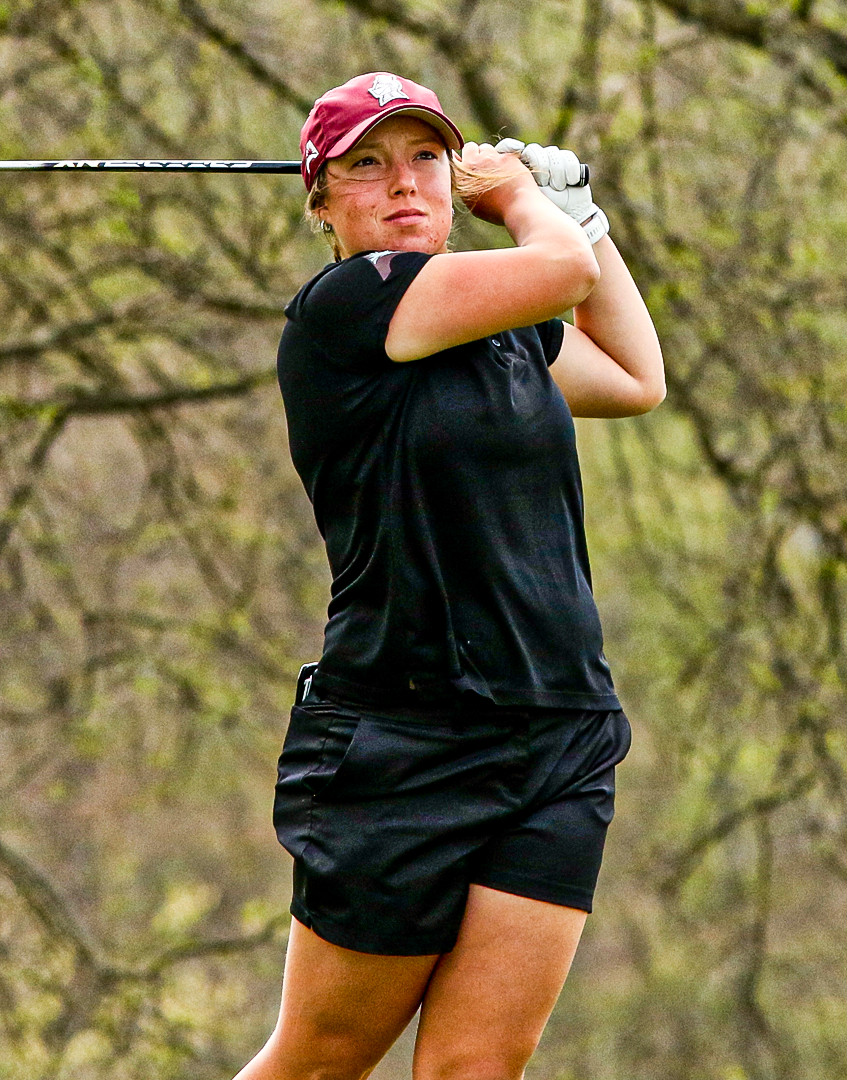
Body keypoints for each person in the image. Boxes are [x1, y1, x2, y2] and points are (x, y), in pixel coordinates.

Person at [245, 72, 665, 1080]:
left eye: (426, 158)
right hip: (402, 746)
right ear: (322, 202)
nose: (404, 184)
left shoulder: (500, 324)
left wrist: (584, 217)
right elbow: (554, 273)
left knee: (474, 1073)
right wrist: (525, 201)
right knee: (316, 1063)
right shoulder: (349, 310)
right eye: (367, 166)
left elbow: (636, 376)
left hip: (557, 736)